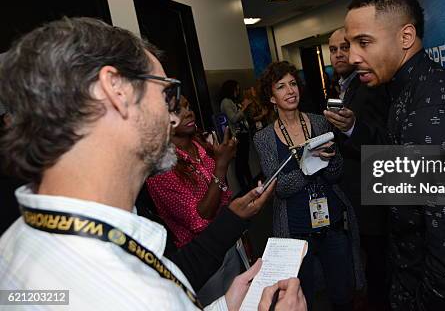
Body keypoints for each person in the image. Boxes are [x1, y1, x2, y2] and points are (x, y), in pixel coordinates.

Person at [0, 17, 296, 310]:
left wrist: (223, 307)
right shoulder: (123, 292)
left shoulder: (23, 246)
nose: (174, 117)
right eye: (166, 94)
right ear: (116, 90)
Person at [324, 0, 445, 310]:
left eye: (364, 42)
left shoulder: (435, 112)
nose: (352, 56)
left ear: (405, 38)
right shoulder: (405, 91)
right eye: (350, 44)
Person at [253, 61, 364, 310]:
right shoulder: (264, 138)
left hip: (332, 223)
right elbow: (280, 187)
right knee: (304, 297)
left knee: (342, 294)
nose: (290, 91)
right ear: (271, 98)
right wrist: (310, 164)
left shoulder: (320, 122)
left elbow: (336, 174)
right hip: (296, 230)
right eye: (281, 87)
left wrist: (332, 157)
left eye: (293, 84)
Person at [146, 95, 241, 304]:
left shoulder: (200, 148)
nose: (188, 112)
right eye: (178, 110)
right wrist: (222, 166)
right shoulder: (162, 169)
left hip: (227, 242)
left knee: (241, 304)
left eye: (188, 106)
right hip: (202, 258)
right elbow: (199, 219)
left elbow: (224, 196)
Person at [327, 28, 391, 309]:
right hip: (353, 194)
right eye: (333, 49)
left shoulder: (369, 85)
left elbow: (383, 141)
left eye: (344, 47)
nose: (339, 54)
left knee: (380, 267)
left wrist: (352, 128)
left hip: (374, 199)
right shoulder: (342, 86)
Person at [219, 80, 253, 193]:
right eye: (236, 89)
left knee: (245, 162)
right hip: (237, 136)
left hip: (243, 134)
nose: (238, 92)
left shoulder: (232, 101)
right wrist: (244, 107)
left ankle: (251, 186)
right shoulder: (226, 102)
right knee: (239, 164)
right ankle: (245, 190)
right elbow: (233, 119)